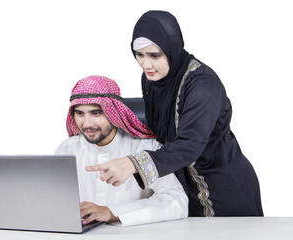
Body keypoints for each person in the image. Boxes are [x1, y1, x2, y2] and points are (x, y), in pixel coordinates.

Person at [86, 10, 264, 217]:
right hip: (182, 188)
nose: (146, 64)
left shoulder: (203, 85)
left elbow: (190, 145)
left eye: (154, 55)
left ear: (173, 48)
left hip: (224, 188)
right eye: (139, 55)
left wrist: (132, 164)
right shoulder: (152, 79)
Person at [55, 75, 188, 226]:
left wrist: (110, 212)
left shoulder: (146, 148)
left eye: (96, 113)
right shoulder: (68, 148)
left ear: (114, 112)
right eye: (80, 113)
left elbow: (176, 202)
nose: (87, 123)